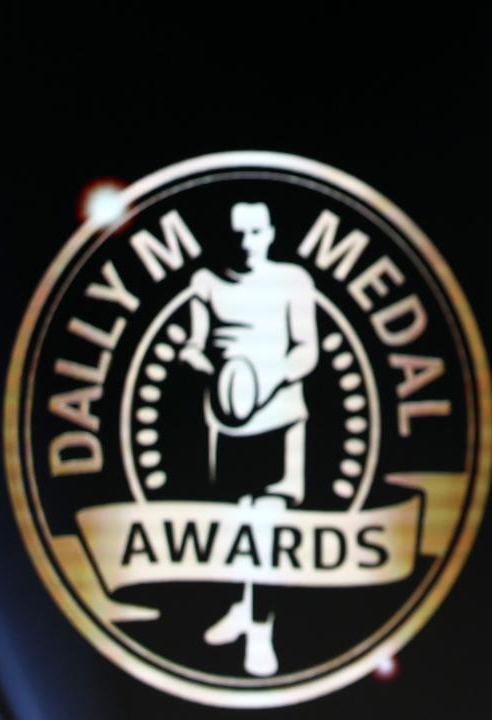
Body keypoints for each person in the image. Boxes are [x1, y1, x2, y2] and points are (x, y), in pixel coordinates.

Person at [180, 201, 319, 677]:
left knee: (268, 528)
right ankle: (242, 606)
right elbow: (195, 346)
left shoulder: (294, 281)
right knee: (239, 525)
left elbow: (307, 350)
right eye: (238, 233)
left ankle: (261, 629)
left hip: (280, 418)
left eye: (255, 232)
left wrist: (264, 380)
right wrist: (217, 374)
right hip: (226, 424)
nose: (247, 242)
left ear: (270, 232)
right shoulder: (206, 282)